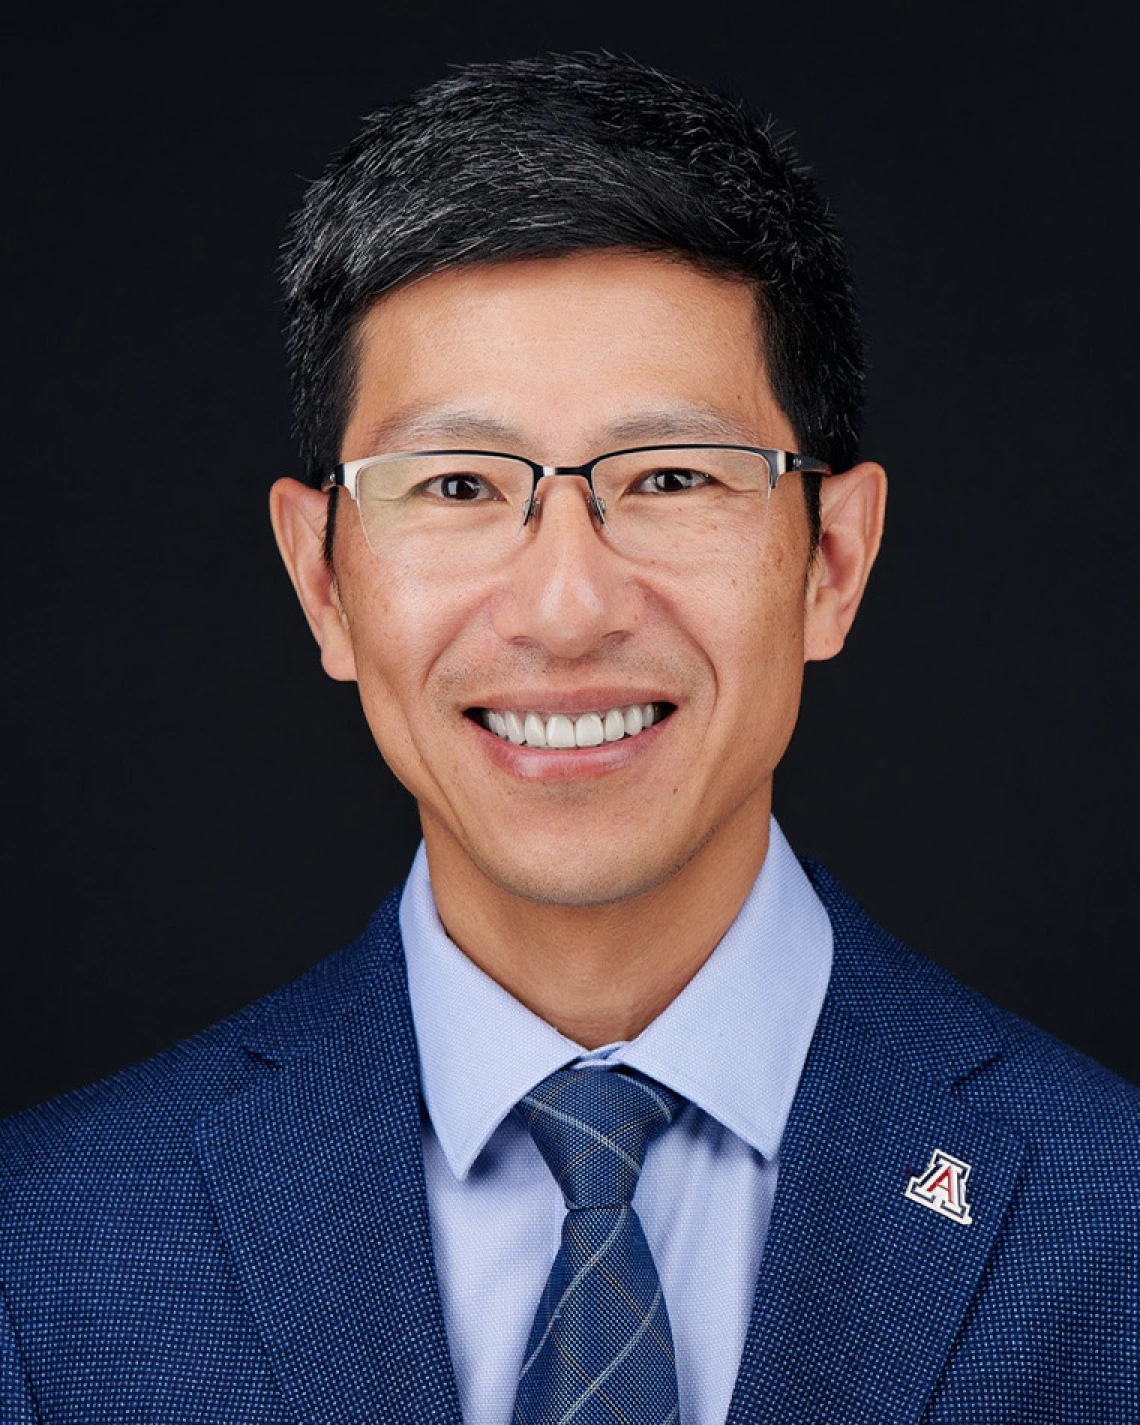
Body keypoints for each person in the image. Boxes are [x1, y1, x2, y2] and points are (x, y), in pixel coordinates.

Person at [1, 51, 1136, 1425]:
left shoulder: (1109, 1224)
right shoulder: (49, 1255)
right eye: (461, 484)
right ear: (323, 581)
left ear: (832, 559)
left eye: (669, 477)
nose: (566, 605)